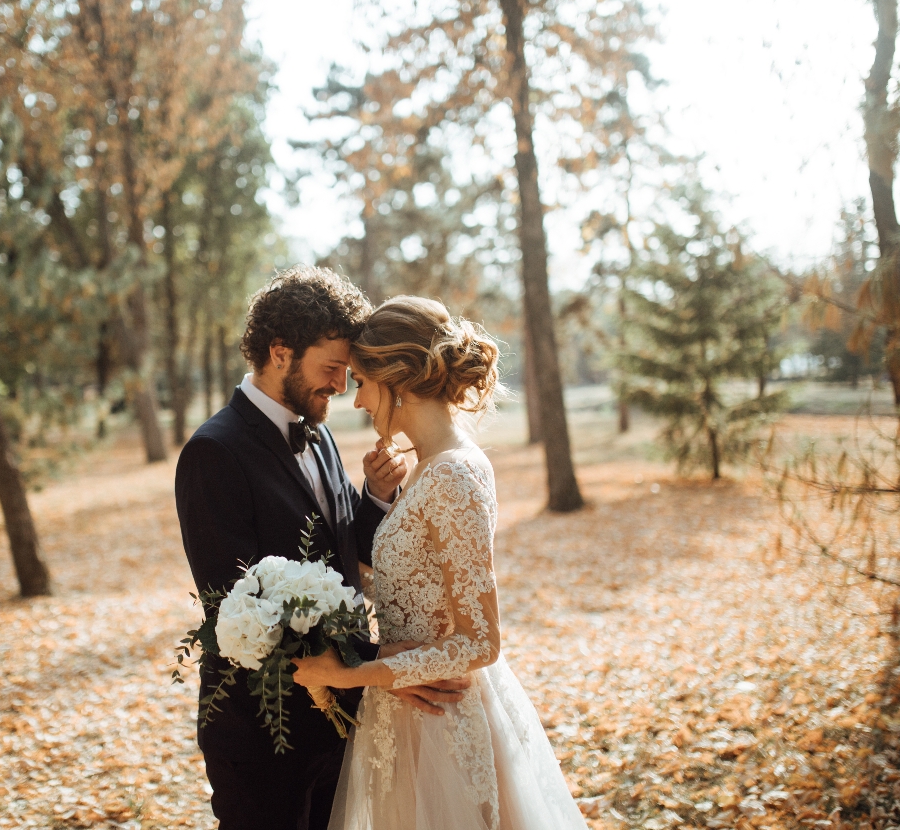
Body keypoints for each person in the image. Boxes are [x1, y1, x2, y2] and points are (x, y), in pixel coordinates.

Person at [176, 269, 471, 830]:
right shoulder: (213, 453)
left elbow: (336, 560)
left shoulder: (322, 434)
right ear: (279, 352)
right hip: (263, 730)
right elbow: (236, 608)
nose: (341, 385)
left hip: (340, 719)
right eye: (330, 368)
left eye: (346, 371)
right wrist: (377, 662)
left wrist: (375, 499)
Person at [292, 296, 590, 830]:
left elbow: (481, 641)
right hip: (405, 719)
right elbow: (414, 588)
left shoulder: (454, 475)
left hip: (441, 723)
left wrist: (356, 673)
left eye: (361, 380)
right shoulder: (427, 469)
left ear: (395, 378)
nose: (357, 400)